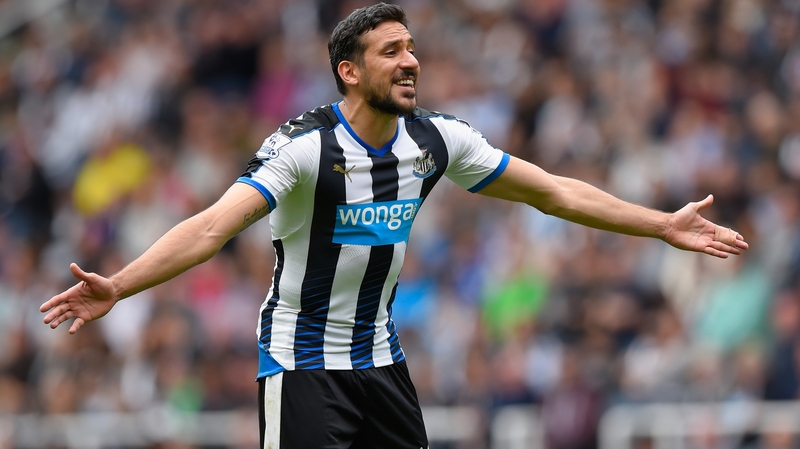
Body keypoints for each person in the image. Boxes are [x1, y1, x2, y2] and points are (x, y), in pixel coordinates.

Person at [40, 3, 748, 448]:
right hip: (303, 364)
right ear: (349, 72)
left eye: (411, 47)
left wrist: (661, 224)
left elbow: (554, 192)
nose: (411, 60)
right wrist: (121, 285)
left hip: (380, 361)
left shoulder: (437, 140)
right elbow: (209, 229)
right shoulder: (304, 149)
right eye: (391, 51)